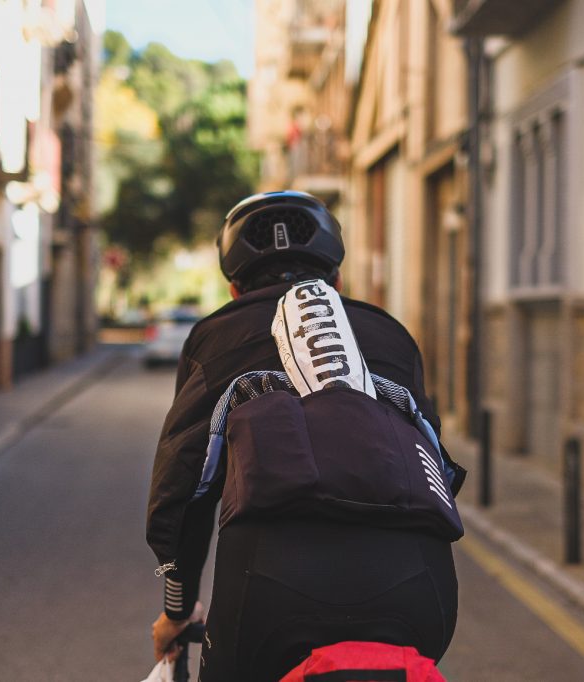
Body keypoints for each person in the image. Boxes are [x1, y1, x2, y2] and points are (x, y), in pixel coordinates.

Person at [146, 190, 465, 681]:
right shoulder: (392, 336)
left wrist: (177, 609)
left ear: (235, 290)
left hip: (270, 591)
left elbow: (183, 490)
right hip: (418, 588)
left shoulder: (214, 338)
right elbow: (433, 464)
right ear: (337, 280)